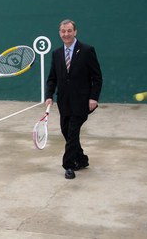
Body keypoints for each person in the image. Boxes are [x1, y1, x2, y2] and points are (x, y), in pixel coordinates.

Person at [45, 19, 103, 180]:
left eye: (69, 31)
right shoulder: (56, 53)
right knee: (66, 131)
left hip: (82, 101)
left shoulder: (87, 50)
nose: (66, 34)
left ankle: (69, 165)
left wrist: (93, 98)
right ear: (59, 33)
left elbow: (97, 77)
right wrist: (49, 95)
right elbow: (52, 78)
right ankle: (82, 159)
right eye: (63, 31)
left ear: (75, 32)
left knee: (71, 132)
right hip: (64, 102)